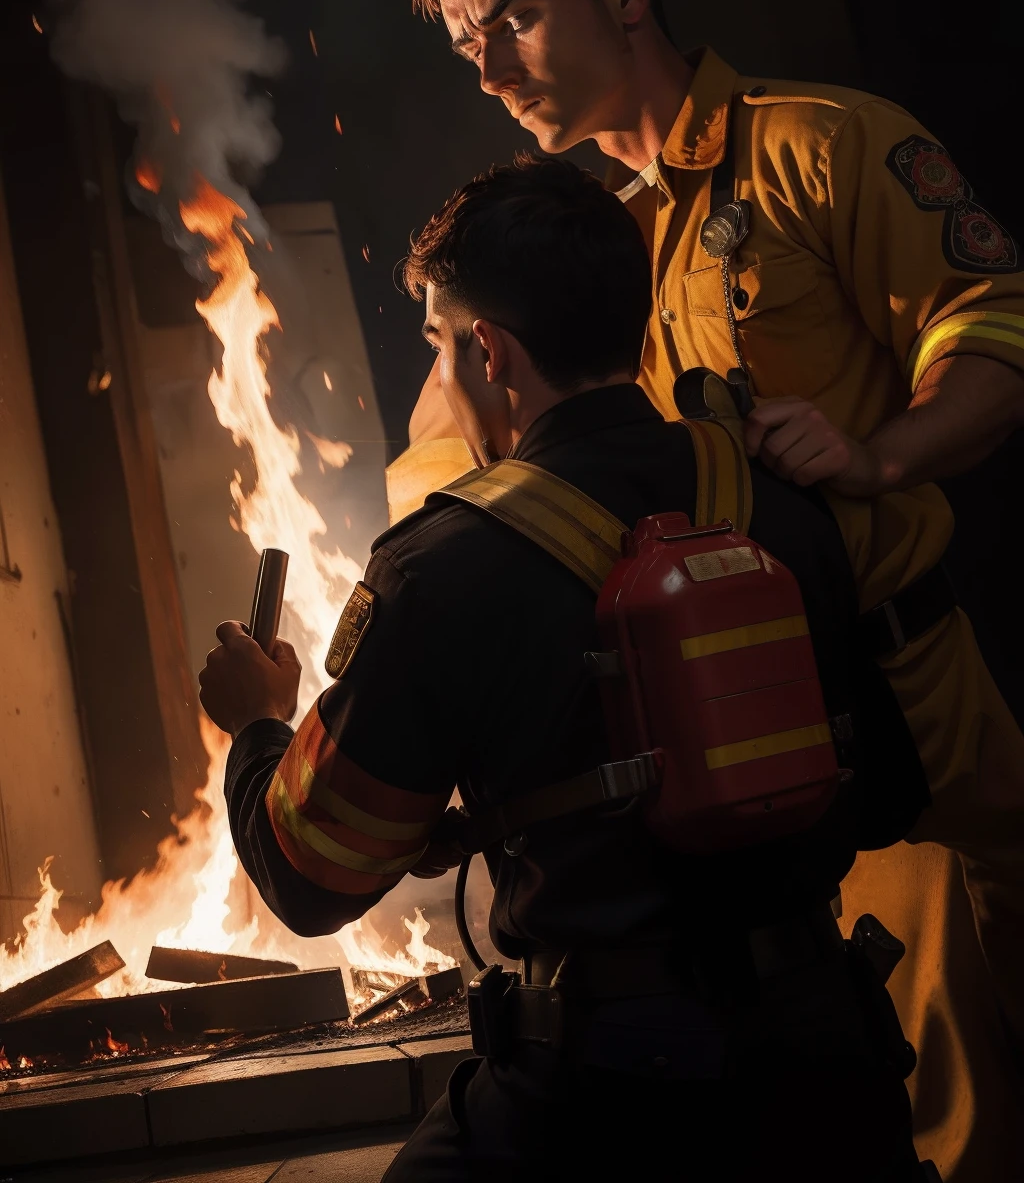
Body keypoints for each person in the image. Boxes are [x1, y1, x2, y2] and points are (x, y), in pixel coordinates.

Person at [396, 0, 1024, 1173]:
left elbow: (996, 329)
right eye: (466, 44)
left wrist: (877, 452)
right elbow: (442, 456)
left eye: (511, 15)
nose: (490, 68)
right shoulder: (570, 247)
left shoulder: (824, 143)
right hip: (703, 772)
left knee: (960, 1111)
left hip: (901, 722)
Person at [200, 157, 929, 1182]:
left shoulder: (441, 567)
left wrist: (257, 726)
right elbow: (890, 794)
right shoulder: (774, 506)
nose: (443, 379)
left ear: (488, 352)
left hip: (604, 1092)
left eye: (437, 346)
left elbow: (311, 877)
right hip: (828, 1059)